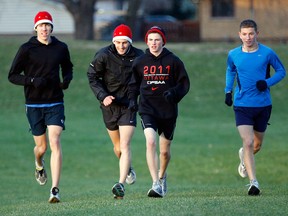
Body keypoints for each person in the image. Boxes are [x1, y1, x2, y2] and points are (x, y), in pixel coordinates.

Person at [8, 11, 73, 203]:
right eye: (41, 25)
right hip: (34, 104)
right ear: (36, 27)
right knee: (41, 147)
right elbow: (12, 75)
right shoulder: (26, 49)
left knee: (55, 141)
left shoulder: (61, 47)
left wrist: (67, 79)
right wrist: (32, 80)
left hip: (55, 102)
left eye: (48, 25)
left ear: (52, 28)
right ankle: (38, 164)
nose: (44, 28)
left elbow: (67, 67)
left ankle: (55, 190)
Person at [225, 19, 286, 196]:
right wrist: (228, 91)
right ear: (239, 35)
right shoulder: (233, 54)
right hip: (242, 104)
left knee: (257, 145)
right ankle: (254, 183)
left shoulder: (267, 53)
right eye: (244, 34)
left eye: (251, 33)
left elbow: (281, 71)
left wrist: (266, 83)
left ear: (257, 34)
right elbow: (230, 71)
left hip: (263, 105)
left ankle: (244, 158)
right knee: (249, 141)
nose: (248, 37)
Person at [129, 26, 190, 198]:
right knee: (150, 142)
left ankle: (162, 176)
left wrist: (174, 93)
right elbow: (133, 85)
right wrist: (133, 100)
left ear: (163, 41)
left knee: (164, 151)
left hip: (168, 111)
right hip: (147, 109)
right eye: (151, 40)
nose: (154, 43)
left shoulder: (173, 61)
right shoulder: (140, 62)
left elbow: (184, 83)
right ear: (146, 42)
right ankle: (155, 183)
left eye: (157, 40)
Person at [87, 24, 144, 199]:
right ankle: (128, 168)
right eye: (118, 42)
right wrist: (103, 95)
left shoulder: (140, 56)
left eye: (125, 43)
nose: (121, 46)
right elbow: (92, 76)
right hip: (109, 106)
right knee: (118, 147)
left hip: (128, 105)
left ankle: (120, 185)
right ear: (114, 42)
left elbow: (145, 78)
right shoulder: (103, 55)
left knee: (125, 145)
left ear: (130, 42)